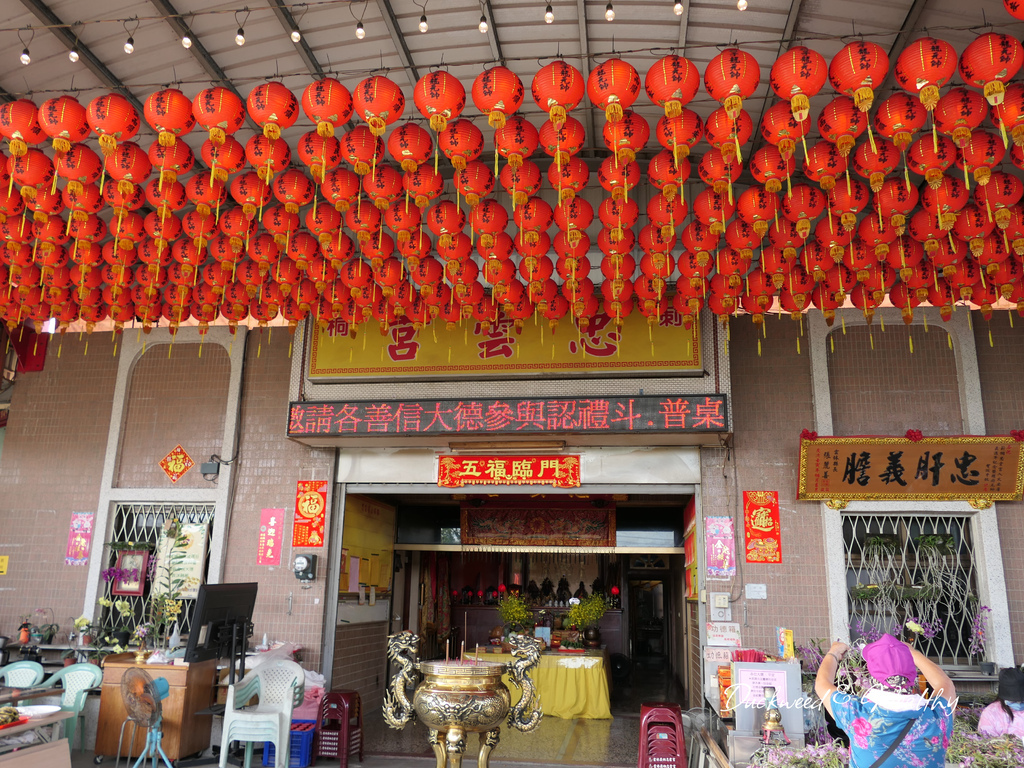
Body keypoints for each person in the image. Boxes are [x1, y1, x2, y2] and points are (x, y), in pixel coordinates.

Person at [814, 634, 956, 768]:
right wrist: (912, 653)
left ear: (872, 675)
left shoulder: (856, 714)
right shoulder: (939, 717)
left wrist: (834, 653)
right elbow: (944, 683)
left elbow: (822, 683)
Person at [977, 666, 1024, 738]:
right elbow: (986, 740)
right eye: (1014, 700)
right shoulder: (991, 713)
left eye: (1022, 700)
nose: (1019, 703)